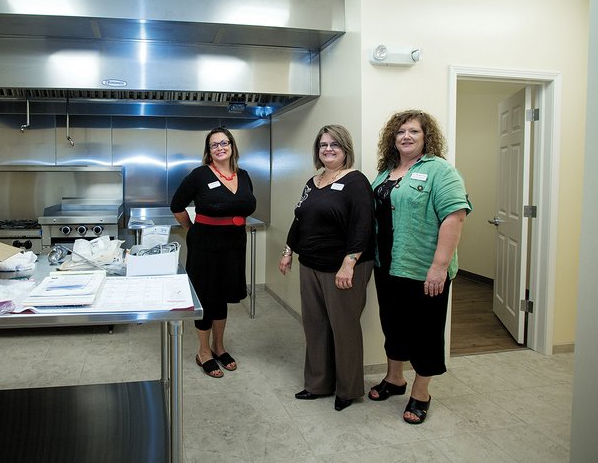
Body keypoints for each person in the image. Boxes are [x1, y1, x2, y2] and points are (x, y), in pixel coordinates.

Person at [368, 109, 472, 425]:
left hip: (424, 270)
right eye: (400, 132)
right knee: (393, 326)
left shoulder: (441, 171)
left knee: (425, 333)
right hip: (387, 266)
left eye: (413, 131)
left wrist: (439, 266)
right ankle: (394, 379)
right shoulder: (386, 172)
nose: (406, 136)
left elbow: (455, 216)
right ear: (393, 138)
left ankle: (421, 392)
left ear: (426, 136)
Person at [278, 125, 374, 411]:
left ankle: (348, 389)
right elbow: (300, 219)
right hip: (311, 264)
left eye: (334, 144)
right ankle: (318, 384)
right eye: (323, 145)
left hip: (343, 267)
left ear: (346, 149)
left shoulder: (357, 182)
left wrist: (349, 263)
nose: (328, 149)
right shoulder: (314, 181)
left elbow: (363, 225)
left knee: (343, 328)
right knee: (315, 325)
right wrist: (288, 251)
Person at [170, 127, 257, 378]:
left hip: (234, 245)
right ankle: (204, 351)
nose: (220, 147)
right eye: (214, 145)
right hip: (205, 246)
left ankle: (220, 347)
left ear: (232, 146)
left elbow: (246, 204)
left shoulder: (244, 175)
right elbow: (177, 205)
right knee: (207, 298)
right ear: (208, 151)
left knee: (224, 296)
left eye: (224, 142)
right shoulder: (199, 175)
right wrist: (190, 229)